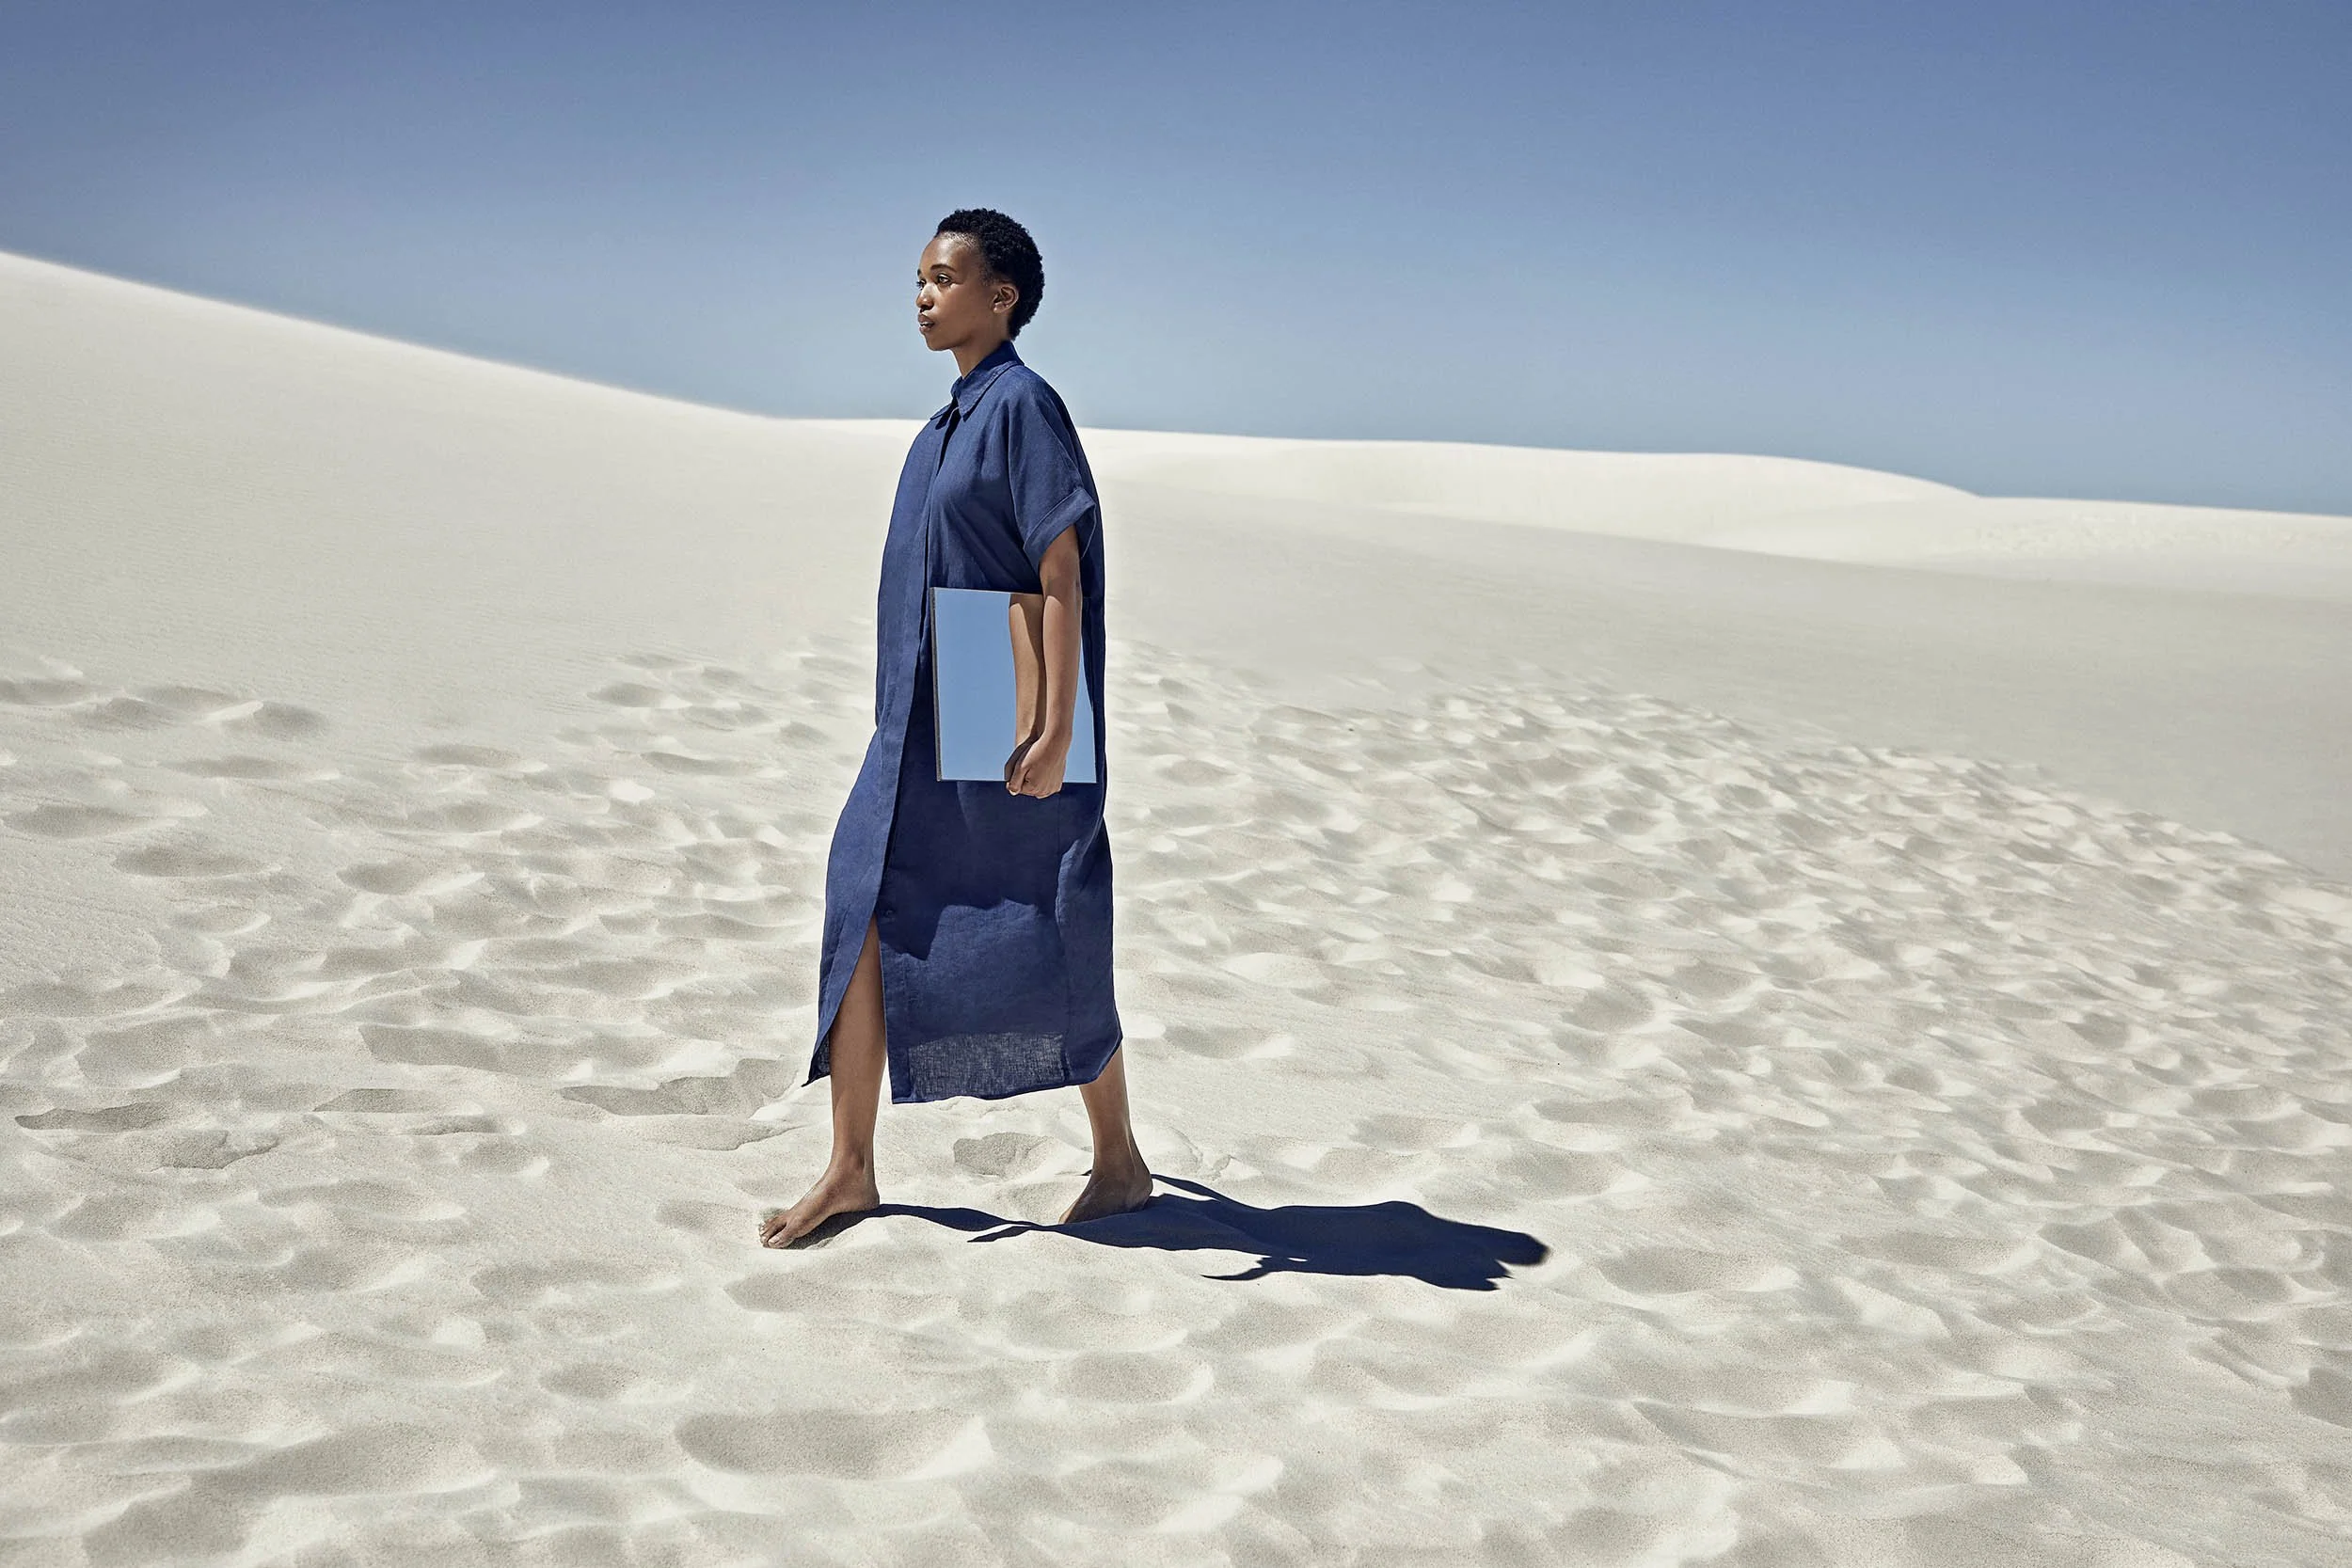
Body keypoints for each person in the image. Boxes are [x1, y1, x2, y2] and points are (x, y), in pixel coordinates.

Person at [761, 209, 1147, 1248]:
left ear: (1001, 295)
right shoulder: (944, 422)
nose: (924, 295)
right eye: (918, 281)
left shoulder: (1022, 405)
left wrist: (1058, 724)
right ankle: (849, 1167)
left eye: (944, 277)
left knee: (1046, 918)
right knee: (862, 906)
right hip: (914, 730)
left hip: (1001, 725)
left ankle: (1119, 1158)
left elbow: (1060, 570)